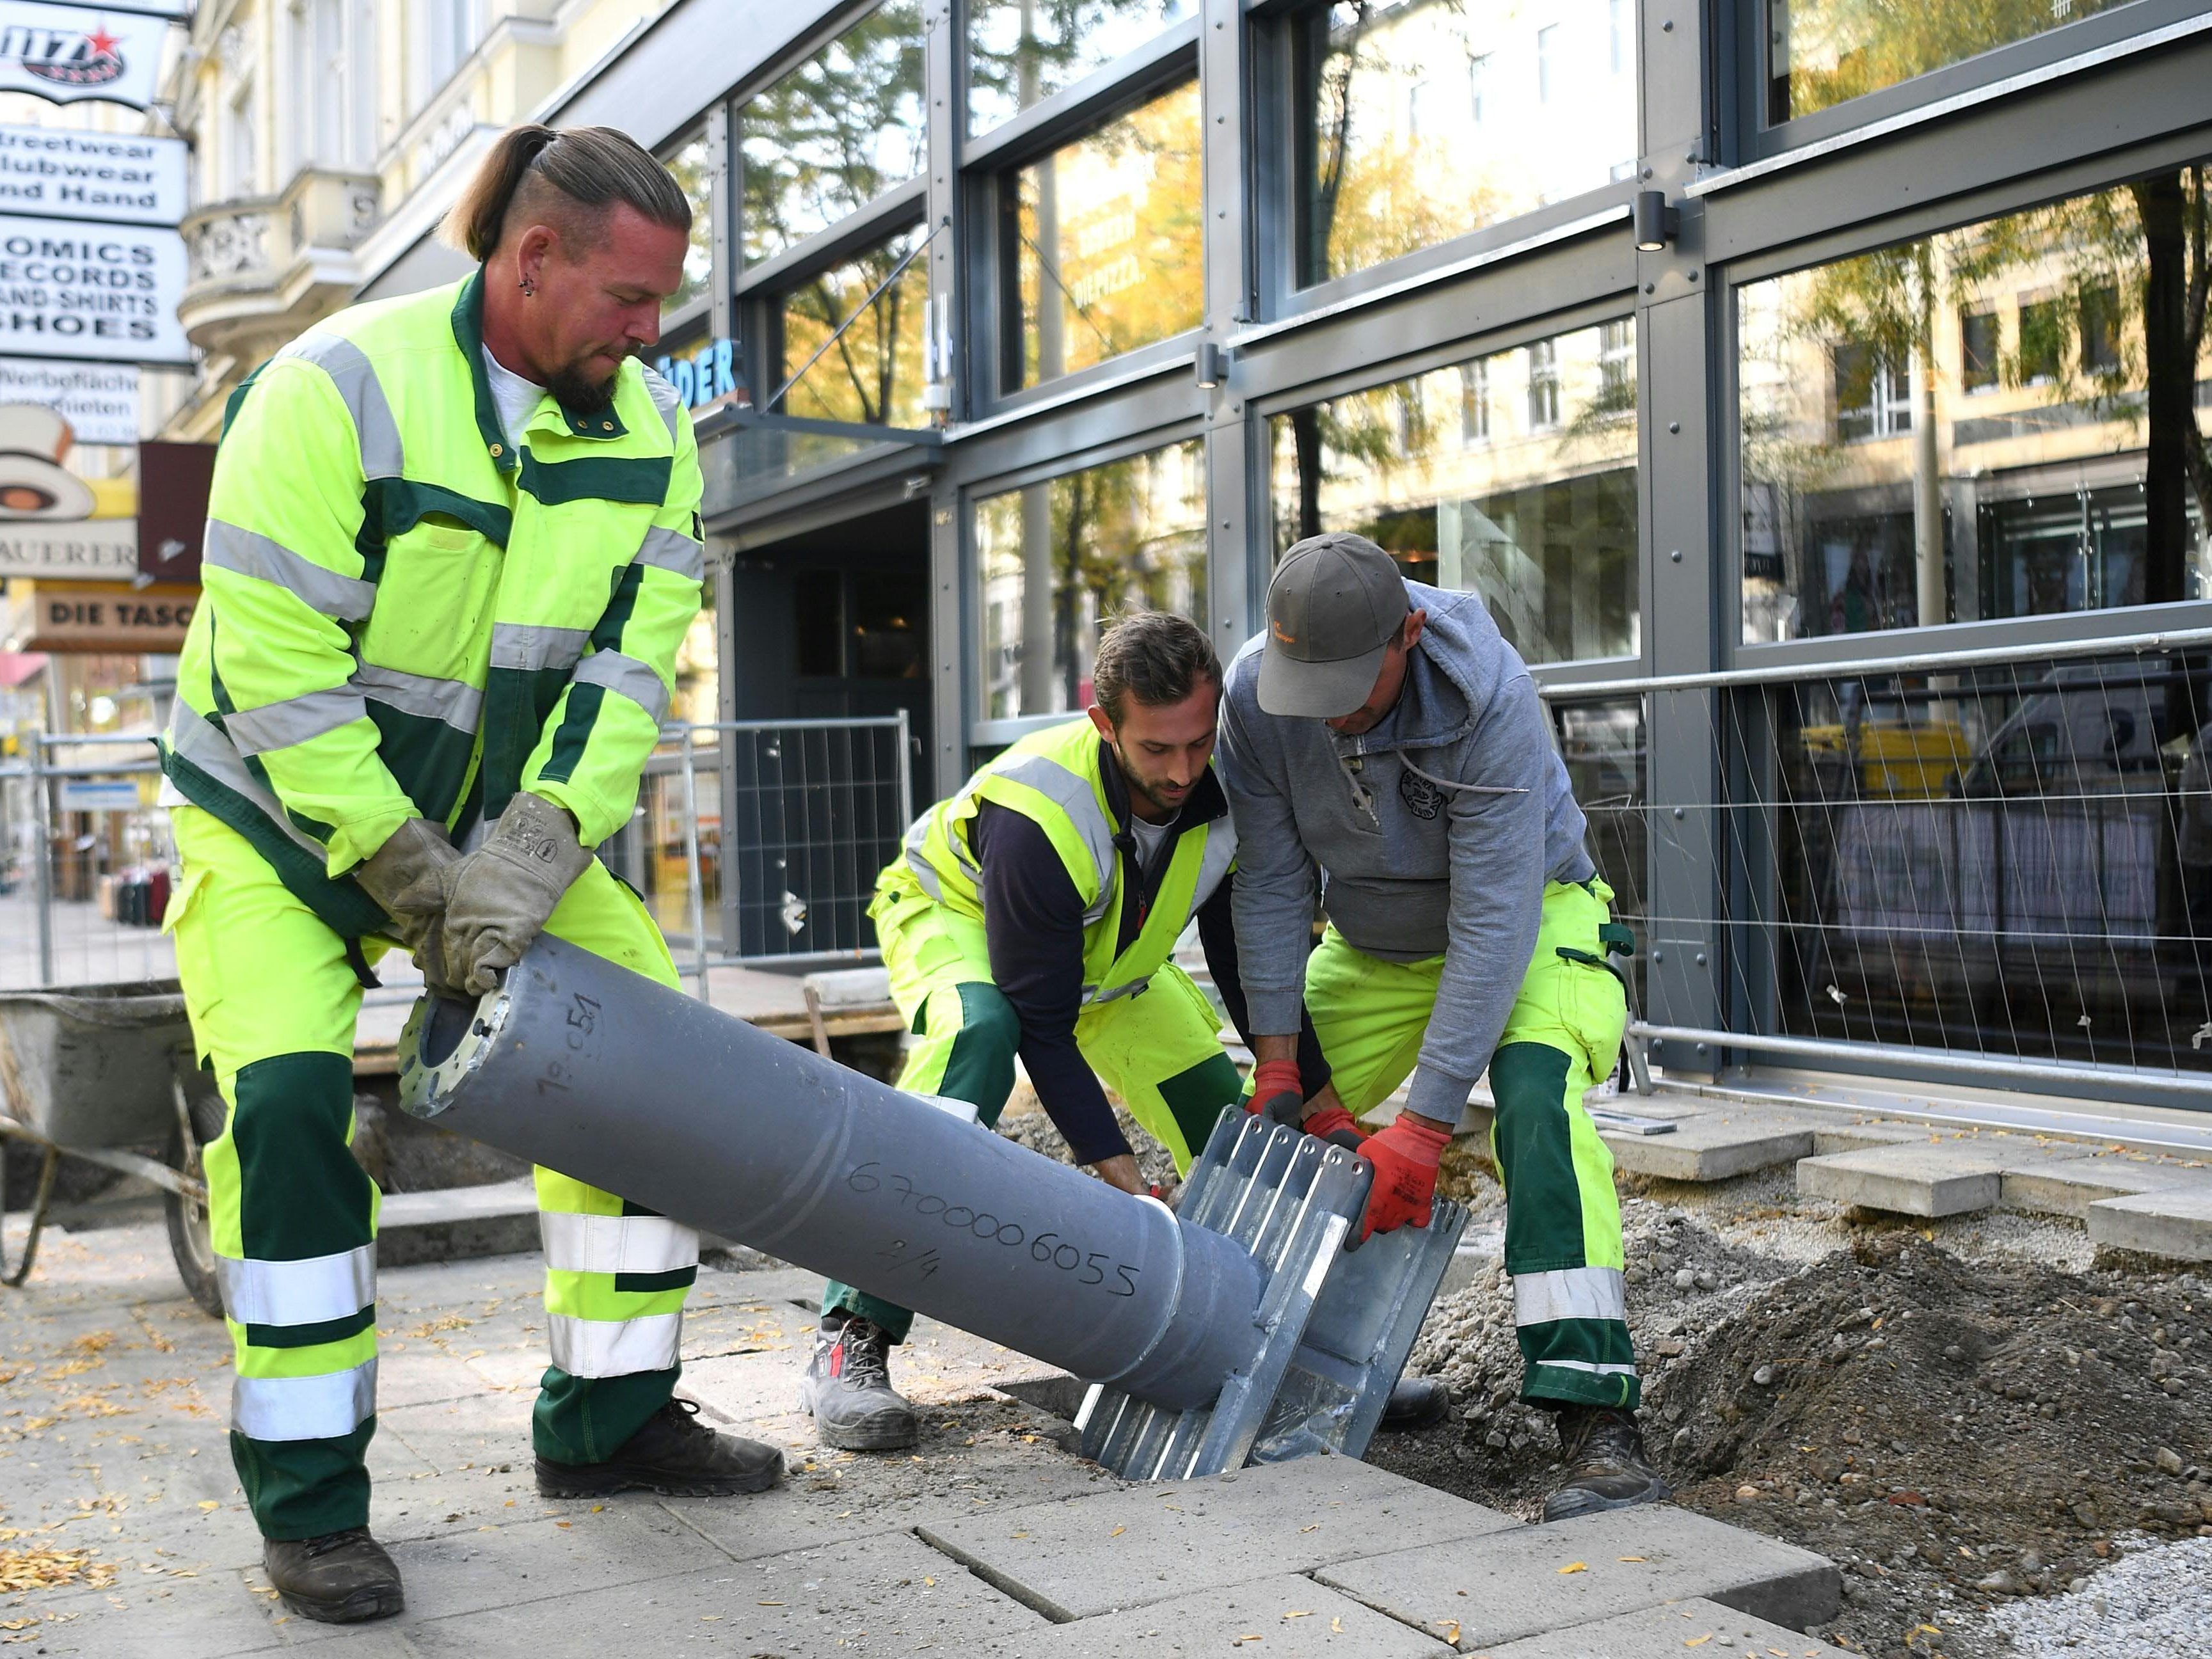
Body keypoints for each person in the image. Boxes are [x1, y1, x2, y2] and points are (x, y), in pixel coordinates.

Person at [158, 125, 782, 1625]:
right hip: (277, 826)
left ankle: (611, 1421)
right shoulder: (330, 388)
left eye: (665, 302)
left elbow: (631, 672)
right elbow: (284, 675)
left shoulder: (648, 435)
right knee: (293, 1108)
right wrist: (404, 871)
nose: (654, 333)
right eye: (632, 299)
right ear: (533, 257)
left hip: (504, 843)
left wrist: (537, 848)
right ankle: (310, 1506)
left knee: (653, 1074)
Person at [800, 610, 1342, 1450]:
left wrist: (1313, 1089)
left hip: (1105, 960)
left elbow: (1247, 964)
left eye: (1197, 743)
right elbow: (1038, 1028)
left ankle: (1295, 1347)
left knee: (1224, 1115)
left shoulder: (1236, 785)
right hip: (958, 917)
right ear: (1104, 721)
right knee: (977, 1037)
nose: (1181, 770)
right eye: (1156, 749)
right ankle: (852, 1333)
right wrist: (1120, 1178)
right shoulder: (1038, 810)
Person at [1215, 531, 1667, 1522]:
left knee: (1537, 1107)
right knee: (1248, 1123)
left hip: (1534, 914)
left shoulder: (1486, 696)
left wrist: (1420, 1127)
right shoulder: (1253, 694)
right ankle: (1284, 1368)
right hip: (1377, 941)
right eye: (1308, 681)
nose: (1325, 708)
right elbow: (1272, 879)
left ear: (1407, 634)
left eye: (1348, 682)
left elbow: (1493, 919)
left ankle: (1597, 1425)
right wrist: (1281, 1061)